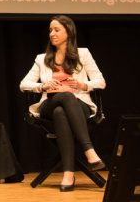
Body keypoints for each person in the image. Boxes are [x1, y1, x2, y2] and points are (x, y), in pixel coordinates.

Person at [18, 15, 106, 192]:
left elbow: (101, 82)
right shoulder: (42, 58)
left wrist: (82, 85)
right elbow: (23, 84)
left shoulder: (83, 54)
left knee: (61, 112)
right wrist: (43, 86)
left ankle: (68, 174)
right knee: (64, 98)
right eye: (50, 30)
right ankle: (89, 150)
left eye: (57, 30)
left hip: (79, 103)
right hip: (48, 104)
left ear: (69, 32)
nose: (52, 33)